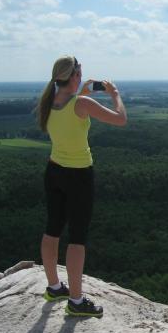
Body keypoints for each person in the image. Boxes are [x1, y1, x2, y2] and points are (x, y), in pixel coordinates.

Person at [35, 56, 127, 318]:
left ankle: (54, 287)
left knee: (52, 229)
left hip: (54, 171)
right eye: (80, 74)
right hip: (78, 176)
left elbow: (69, 115)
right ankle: (76, 301)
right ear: (73, 76)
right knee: (77, 239)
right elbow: (120, 119)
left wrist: (82, 91)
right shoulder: (82, 103)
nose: (82, 78)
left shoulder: (49, 101)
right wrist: (115, 95)